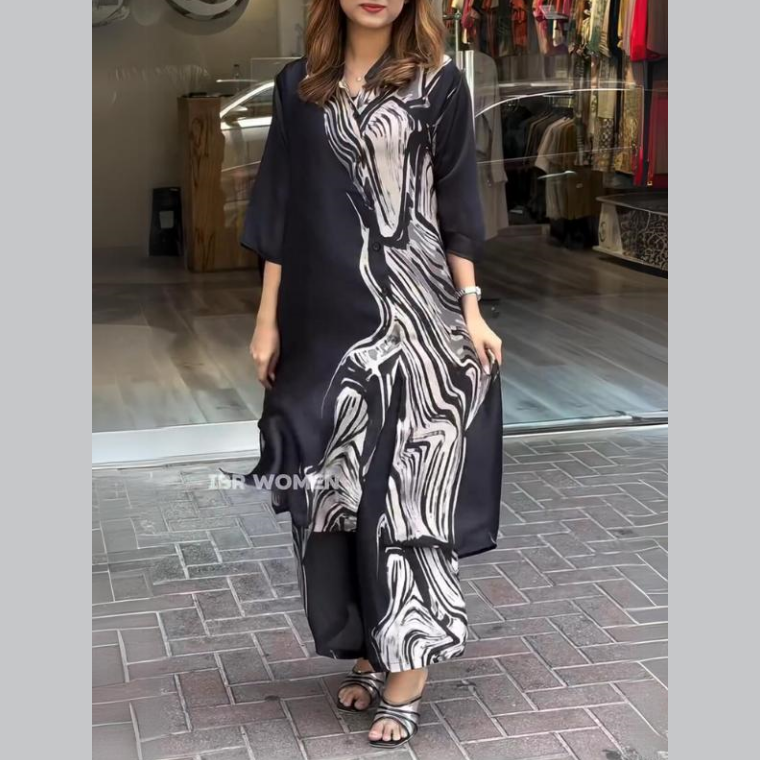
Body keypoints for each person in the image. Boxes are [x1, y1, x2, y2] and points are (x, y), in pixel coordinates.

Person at [236, 0, 504, 748]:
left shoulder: (439, 84)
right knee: (337, 492)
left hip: (418, 317)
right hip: (323, 323)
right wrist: (267, 320)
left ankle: (406, 672)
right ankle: (367, 646)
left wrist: (472, 307)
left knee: (407, 493)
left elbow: (456, 201)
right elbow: (280, 207)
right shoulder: (300, 86)